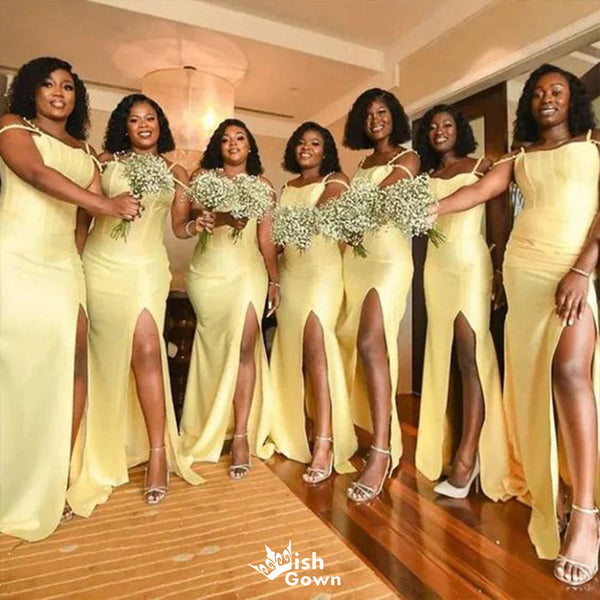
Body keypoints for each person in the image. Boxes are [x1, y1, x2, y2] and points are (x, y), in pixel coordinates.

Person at [429, 64, 599, 586]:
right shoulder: (517, 156)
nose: (547, 98)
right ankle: (557, 490)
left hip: (572, 270)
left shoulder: (594, 144)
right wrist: (430, 207)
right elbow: (480, 192)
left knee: (570, 374)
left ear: (572, 100)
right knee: (533, 389)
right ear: (529, 104)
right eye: (539, 92)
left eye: (557, 91)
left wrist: (582, 269)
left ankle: (586, 515)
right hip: (523, 273)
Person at [0, 57, 139, 540]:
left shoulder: (86, 150)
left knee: (75, 362)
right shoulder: (12, 127)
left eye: (67, 86)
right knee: (20, 366)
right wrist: (107, 203)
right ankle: (13, 474)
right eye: (48, 85)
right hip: (17, 256)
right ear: (31, 92)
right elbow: (37, 174)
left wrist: (123, 202)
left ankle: (58, 476)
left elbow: (86, 219)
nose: (59, 93)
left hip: (65, 263)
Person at [67, 94, 204, 515]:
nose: (143, 125)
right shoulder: (105, 161)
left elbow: (179, 227)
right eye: (134, 119)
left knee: (147, 349)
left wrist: (198, 223)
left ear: (160, 125)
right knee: (103, 359)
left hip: (147, 268)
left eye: (150, 118)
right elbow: (84, 218)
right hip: (100, 265)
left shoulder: (175, 171)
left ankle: (159, 453)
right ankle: (99, 450)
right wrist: (74, 267)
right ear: (123, 127)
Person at [413, 104, 512, 500]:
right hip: (435, 268)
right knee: (443, 357)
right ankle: (450, 447)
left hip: (470, 265)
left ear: (460, 130)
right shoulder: (424, 178)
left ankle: (469, 458)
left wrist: (500, 267)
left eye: (447, 125)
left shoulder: (483, 166)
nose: (440, 131)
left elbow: (499, 217)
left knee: (471, 356)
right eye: (433, 126)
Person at [180, 119, 278, 478]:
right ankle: (207, 424)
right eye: (226, 139)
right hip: (207, 275)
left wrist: (275, 280)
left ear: (250, 146)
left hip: (247, 274)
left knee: (244, 347)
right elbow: (190, 219)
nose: (233, 143)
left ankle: (240, 436)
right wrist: (219, 217)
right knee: (214, 349)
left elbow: (265, 238)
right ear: (217, 147)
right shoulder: (202, 178)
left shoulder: (263, 186)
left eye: (240, 138)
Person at [339, 88, 419, 502]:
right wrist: (345, 223)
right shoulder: (361, 164)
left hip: (388, 258)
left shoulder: (409, 158)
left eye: (382, 112)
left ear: (395, 117)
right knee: (361, 346)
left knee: (372, 343)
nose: (376, 119)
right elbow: (353, 216)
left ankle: (383, 451)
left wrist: (345, 213)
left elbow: (380, 199)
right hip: (357, 259)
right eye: (368, 114)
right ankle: (372, 435)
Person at [269, 122, 357, 483]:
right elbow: (277, 241)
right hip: (291, 274)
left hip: (322, 274)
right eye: (302, 142)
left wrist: (277, 226)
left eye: (315, 143)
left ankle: (325, 441)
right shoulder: (286, 187)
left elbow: (317, 215)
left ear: (326, 151)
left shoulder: (336, 181)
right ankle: (292, 429)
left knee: (317, 349)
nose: (307, 147)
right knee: (295, 355)